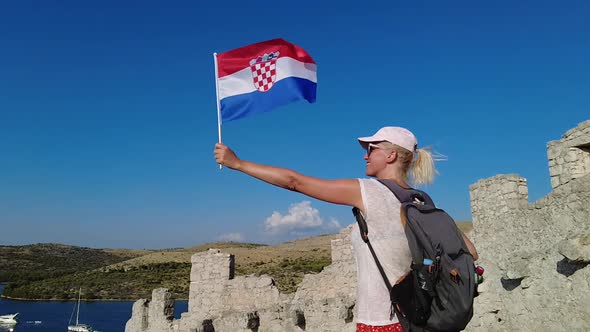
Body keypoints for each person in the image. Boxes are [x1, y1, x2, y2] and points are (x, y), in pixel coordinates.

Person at [214, 126, 477, 332]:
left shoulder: (370, 192)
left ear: (391, 155)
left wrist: (238, 163)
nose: (365, 155)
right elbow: (470, 252)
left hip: (381, 321)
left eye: (371, 148)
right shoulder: (422, 201)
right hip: (422, 320)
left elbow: (295, 182)